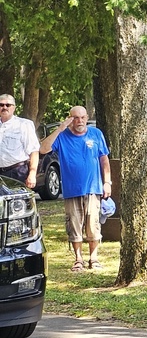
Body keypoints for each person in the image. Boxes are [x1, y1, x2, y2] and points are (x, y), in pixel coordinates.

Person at [39, 106, 111, 272]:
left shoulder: (96, 134)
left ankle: (94, 258)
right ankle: (78, 259)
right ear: (70, 119)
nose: (80, 121)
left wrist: (107, 182)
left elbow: (104, 160)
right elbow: (43, 149)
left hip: (93, 188)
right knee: (74, 224)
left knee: (93, 224)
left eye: (83, 117)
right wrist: (60, 128)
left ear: (87, 118)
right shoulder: (62, 136)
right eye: (76, 118)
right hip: (72, 189)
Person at [0, 94, 40, 187]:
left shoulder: (24, 124)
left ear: (14, 108)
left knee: (18, 201)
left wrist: (32, 174)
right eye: (1, 105)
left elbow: (34, 151)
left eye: (8, 105)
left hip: (17, 172)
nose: (4, 107)